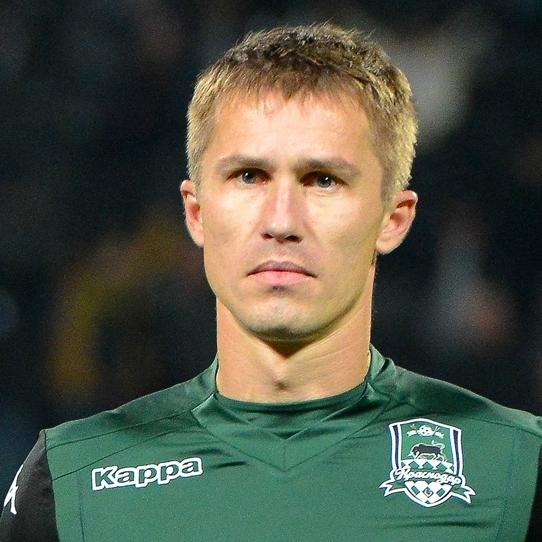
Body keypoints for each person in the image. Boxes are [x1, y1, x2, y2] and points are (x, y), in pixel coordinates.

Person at [1, 23, 540, 542]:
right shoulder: (71, 485)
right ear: (196, 213)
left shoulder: (516, 471)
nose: (281, 221)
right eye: (249, 176)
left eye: (323, 180)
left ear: (392, 220)